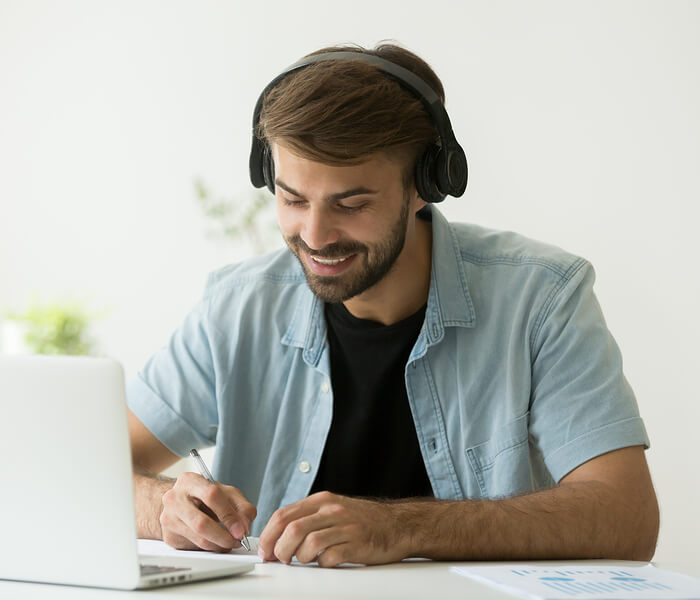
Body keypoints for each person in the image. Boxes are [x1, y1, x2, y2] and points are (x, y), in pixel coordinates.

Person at [126, 43, 659, 568]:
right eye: (292, 199)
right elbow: (83, 465)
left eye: (351, 204)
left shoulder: (542, 300)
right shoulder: (237, 308)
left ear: (426, 185)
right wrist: (163, 507)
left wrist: (401, 527)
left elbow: (626, 516)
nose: (314, 236)